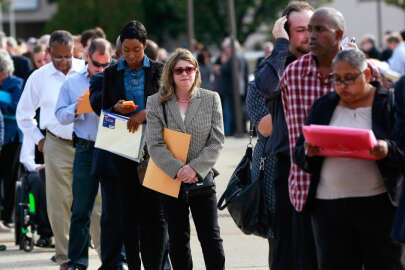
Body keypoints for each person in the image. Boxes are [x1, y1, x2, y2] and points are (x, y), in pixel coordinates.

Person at [294, 48, 405, 270]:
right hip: (329, 209)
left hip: (378, 206)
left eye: (349, 78)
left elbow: (402, 148)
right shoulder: (324, 105)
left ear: (365, 75)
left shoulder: (387, 102)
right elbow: (299, 152)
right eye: (337, 79)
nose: (343, 85)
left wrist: (386, 149)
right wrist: (309, 151)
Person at [146, 48, 225, 270]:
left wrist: (195, 169)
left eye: (189, 69)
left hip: (202, 180)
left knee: (211, 238)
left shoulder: (211, 99)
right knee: (178, 241)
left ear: (196, 71)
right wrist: (179, 169)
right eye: (179, 70)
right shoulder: (156, 102)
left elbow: (216, 141)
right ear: (171, 74)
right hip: (171, 181)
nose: (185, 74)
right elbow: (154, 143)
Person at [254, 2, 316, 269]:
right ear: (286, 32)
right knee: (286, 250)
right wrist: (280, 47)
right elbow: (268, 86)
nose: (309, 36)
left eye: (313, 28)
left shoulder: (327, 61)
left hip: (326, 164)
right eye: (301, 29)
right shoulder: (277, 63)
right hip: (286, 165)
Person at [16, 30, 85, 270]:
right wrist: (38, 139)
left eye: (68, 56)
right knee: (59, 202)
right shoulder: (39, 77)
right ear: (48, 53)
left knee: (95, 199)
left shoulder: (85, 71)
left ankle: (104, 252)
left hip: (86, 142)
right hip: (55, 143)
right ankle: (65, 255)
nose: (64, 62)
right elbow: (23, 114)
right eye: (58, 57)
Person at [100, 21, 166, 270]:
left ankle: (155, 265)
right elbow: (104, 109)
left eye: (136, 50)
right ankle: (134, 265)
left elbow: (168, 103)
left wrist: (145, 113)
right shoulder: (112, 72)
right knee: (128, 212)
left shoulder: (159, 70)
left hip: (156, 147)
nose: (130, 55)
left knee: (155, 214)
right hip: (123, 146)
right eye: (125, 50)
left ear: (145, 46)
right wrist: (115, 109)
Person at [55, 38, 111, 270]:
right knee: (81, 208)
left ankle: (118, 259)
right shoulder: (72, 83)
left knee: (113, 207)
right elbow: (59, 114)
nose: (101, 70)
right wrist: (78, 108)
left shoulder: (116, 78)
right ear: (87, 58)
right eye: (97, 65)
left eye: (106, 65)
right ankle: (78, 261)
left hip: (111, 147)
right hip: (86, 147)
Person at [0, 49, 23, 229]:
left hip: (13, 137)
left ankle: (8, 215)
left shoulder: (17, 83)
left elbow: (16, 107)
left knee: (10, 177)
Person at [19, 131, 53, 247]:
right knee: (39, 180)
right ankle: (45, 232)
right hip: (36, 171)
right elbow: (26, 159)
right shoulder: (32, 129)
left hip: (62, 168)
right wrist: (38, 167)